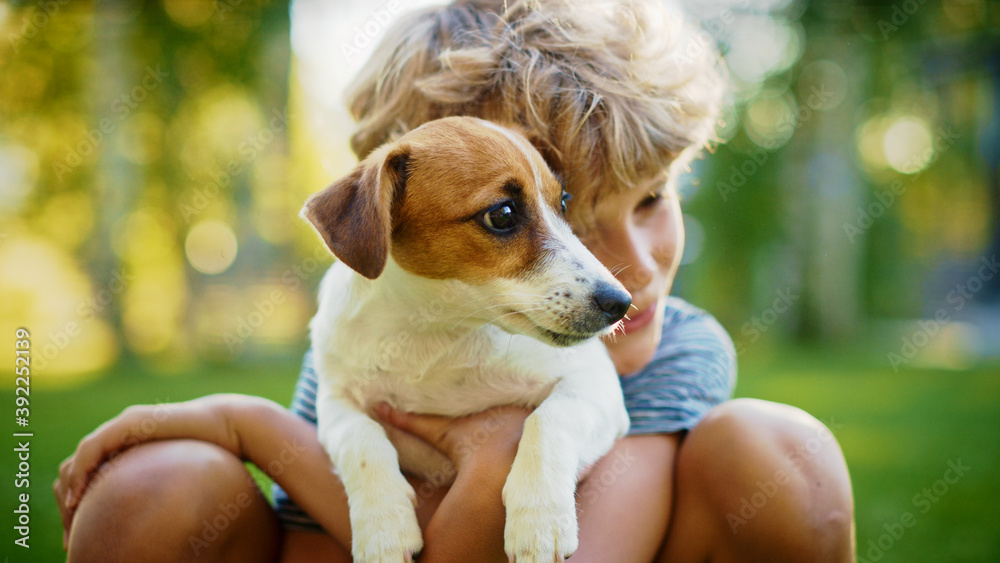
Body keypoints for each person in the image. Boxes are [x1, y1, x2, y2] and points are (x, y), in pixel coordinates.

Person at [54, 0, 855, 561]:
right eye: (512, 216)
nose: (627, 271)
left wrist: (250, 426)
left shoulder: (676, 351)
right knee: (158, 487)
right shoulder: (368, 326)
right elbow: (320, 534)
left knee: (781, 452)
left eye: (649, 200)